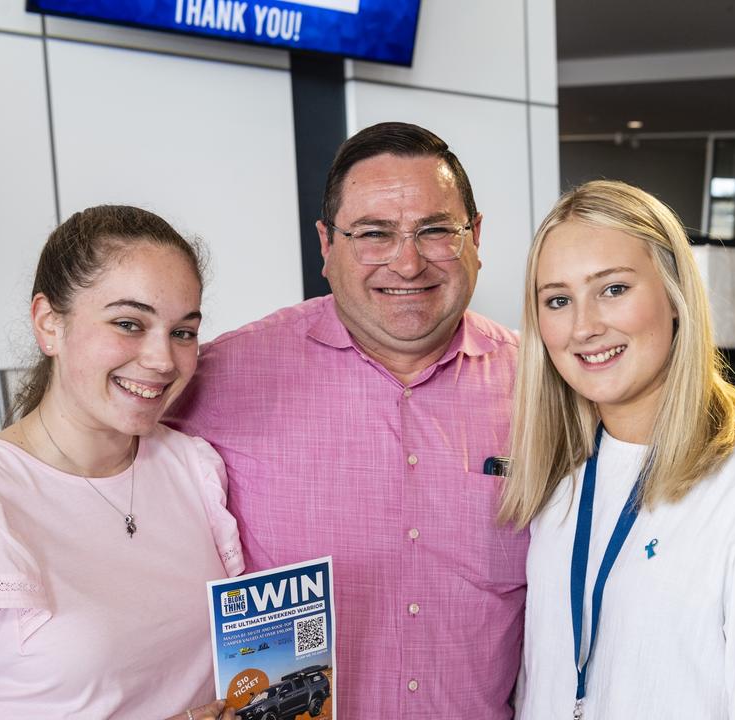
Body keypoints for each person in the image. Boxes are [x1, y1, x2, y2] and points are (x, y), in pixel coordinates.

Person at [169, 122, 527, 717]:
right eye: (373, 234)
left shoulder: (544, 387)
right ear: (326, 245)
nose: (407, 263)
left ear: (477, 237)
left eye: (436, 230)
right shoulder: (219, 377)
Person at [0, 205, 240, 720]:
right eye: (129, 323)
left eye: (183, 332)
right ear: (49, 324)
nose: (163, 359)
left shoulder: (193, 468)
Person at [503, 180, 735, 718]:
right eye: (558, 300)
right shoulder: (559, 475)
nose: (584, 326)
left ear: (675, 294)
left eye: (613, 289)